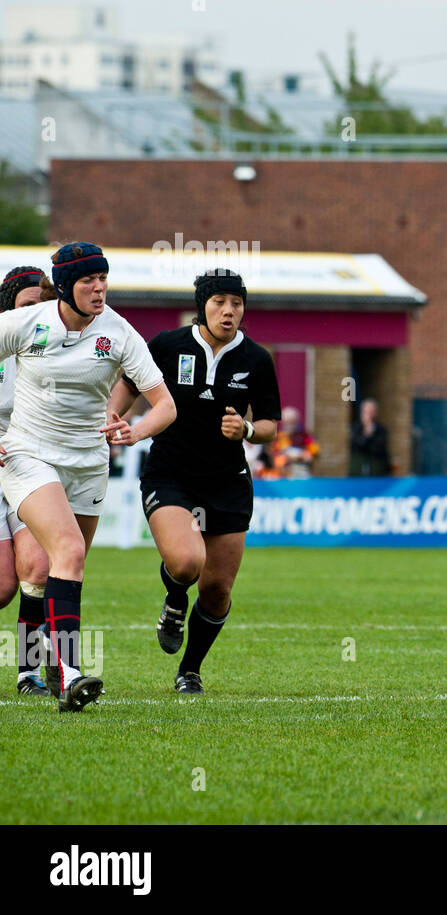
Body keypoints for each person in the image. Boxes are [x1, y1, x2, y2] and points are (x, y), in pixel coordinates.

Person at [0, 242, 176, 712]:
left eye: (103, 279)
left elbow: (165, 406)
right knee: (66, 552)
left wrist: (134, 431)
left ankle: (46, 663)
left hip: (90, 462)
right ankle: (72, 669)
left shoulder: (119, 332)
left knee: (57, 569)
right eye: (87, 281)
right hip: (28, 453)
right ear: (63, 287)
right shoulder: (23, 323)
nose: (99, 289)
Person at [108, 269, 281, 695]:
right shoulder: (168, 345)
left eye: (237, 304)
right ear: (203, 304)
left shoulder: (256, 358)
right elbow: (129, 385)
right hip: (170, 474)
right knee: (186, 562)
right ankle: (173, 601)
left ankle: (190, 670)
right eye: (220, 301)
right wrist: (112, 419)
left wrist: (246, 429)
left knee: (219, 588)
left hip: (228, 481)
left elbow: (271, 424)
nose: (229, 311)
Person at [0, 267, 54, 695]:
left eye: (42, 306)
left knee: (37, 567)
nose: (35, 315)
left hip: (29, 466)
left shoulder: (53, 350)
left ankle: (27, 671)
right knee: (2, 587)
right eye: (26, 307)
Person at [266, 406, 317, 478]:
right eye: (287, 422)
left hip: (302, 470)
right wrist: (284, 457)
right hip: (283, 473)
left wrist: (304, 455)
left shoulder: (304, 435)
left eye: (292, 422)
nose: (290, 425)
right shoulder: (278, 436)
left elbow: (313, 451)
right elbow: (273, 455)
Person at [349, 398, 391, 476]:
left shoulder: (381, 430)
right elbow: (357, 446)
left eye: (371, 412)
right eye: (366, 412)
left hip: (377, 472)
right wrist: (367, 434)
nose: (369, 415)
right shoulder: (355, 428)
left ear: (375, 413)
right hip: (357, 472)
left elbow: (378, 448)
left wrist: (371, 434)